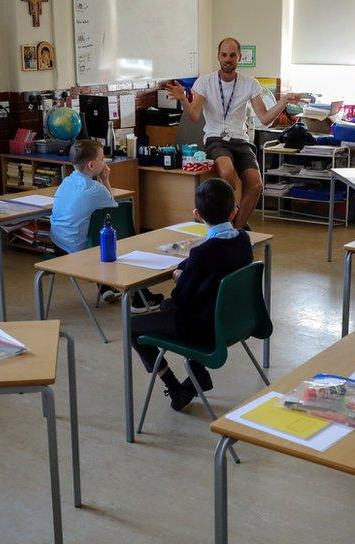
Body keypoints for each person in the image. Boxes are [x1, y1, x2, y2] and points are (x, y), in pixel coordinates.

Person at [130, 178, 253, 410]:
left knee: (132, 325)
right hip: (234, 322)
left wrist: (181, 277)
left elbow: (182, 299)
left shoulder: (202, 254)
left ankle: (174, 387)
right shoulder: (244, 241)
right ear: (234, 211)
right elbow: (214, 262)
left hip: (203, 330)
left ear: (197, 214)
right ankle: (198, 374)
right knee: (166, 307)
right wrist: (188, 269)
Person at [165, 37, 301, 230]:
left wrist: (284, 101)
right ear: (218, 57)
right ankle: (227, 223)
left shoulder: (250, 83)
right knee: (227, 172)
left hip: (241, 139)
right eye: (224, 55)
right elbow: (194, 115)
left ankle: (237, 228)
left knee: (256, 185)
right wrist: (183, 100)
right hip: (215, 138)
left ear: (239, 57)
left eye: (232, 55)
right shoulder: (205, 82)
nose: (227, 59)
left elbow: (264, 118)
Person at [50, 139, 162, 312]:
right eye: (103, 158)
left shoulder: (66, 181)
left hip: (58, 245)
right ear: (92, 165)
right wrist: (105, 179)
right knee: (121, 239)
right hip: (81, 252)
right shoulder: (95, 189)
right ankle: (140, 300)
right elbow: (114, 212)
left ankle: (105, 288)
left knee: (96, 231)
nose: (105, 162)